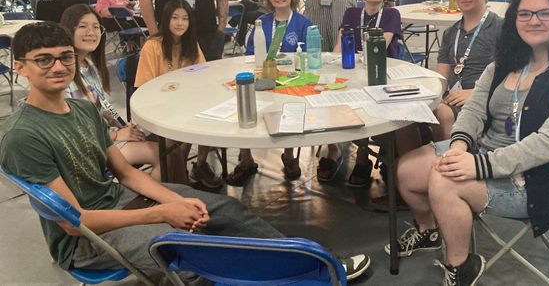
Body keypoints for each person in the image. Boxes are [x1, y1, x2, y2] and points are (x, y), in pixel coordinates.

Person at [0, 21, 371, 284]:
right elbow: (74, 222)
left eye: (65, 56)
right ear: (20, 67)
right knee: (196, 254)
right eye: (43, 59)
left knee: (224, 208)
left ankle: (316, 266)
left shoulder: (82, 110)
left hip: (124, 200)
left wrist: (175, 202)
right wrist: (162, 212)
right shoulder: (24, 136)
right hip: (86, 240)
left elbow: (127, 174)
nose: (59, 66)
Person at [392, 0, 549, 285]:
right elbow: (475, 111)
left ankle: (460, 267)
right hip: (484, 155)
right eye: (525, 14)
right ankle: (429, 231)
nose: (533, 21)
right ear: (514, 20)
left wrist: (477, 165)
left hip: (539, 178)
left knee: (444, 180)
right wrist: (460, 146)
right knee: (407, 170)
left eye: (545, 13)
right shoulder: (507, 63)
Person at [371, 0, 503, 211]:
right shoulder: (452, 32)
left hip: (484, 100)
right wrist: (433, 94)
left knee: (440, 113)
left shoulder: (501, 29)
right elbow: (441, 75)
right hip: (454, 97)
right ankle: (411, 182)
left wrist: (475, 93)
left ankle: (448, 180)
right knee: (406, 108)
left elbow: (510, 77)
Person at [60, 5, 161, 181]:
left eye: (96, 27)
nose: (91, 32)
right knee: (161, 154)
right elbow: (73, 131)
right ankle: (158, 203)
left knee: (166, 142)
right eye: (83, 26)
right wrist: (116, 135)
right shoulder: (62, 75)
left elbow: (102, 104)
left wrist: (120, 123)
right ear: (68, 29)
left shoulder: (89, 65)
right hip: (87, 150)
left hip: (104, 137)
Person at [231, 0, 312, 184]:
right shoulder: (261, 22)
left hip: (291, 79)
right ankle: (246, 159)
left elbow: (309, 56)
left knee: (292, 107)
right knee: (243, 103)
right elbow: (250, 54)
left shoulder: (303, 22)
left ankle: (289, 155)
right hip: (263, 76)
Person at [135, 0, 224, 188]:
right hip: (158, 108)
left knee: (211, 116)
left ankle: (195, 167)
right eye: (174, 18)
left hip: (186, 105)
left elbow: (203, 76)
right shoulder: (152, 46)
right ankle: (178, 177)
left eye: (185, 19)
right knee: (180, 135)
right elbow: (144, 89)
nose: (180, 23)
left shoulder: (191, 45)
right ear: (166, 20)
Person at [330, 0, 402, 185]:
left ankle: (363, 158)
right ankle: (331, 151)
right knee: (332, 95)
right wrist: (335, 70)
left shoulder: (391, 14)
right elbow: (339, 45)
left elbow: (381, 47)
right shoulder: (352, 13)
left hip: (381, 72)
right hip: (352, 69)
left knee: (362, 101)